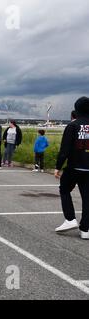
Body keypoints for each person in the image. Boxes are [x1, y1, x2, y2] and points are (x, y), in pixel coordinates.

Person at [55, 97, 89, 240]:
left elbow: (65, 150)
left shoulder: (73, 126)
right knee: (87, 198)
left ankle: (70, 219)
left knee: (64, 189)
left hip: (74, 166)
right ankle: (85, 228)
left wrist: (58, 167)